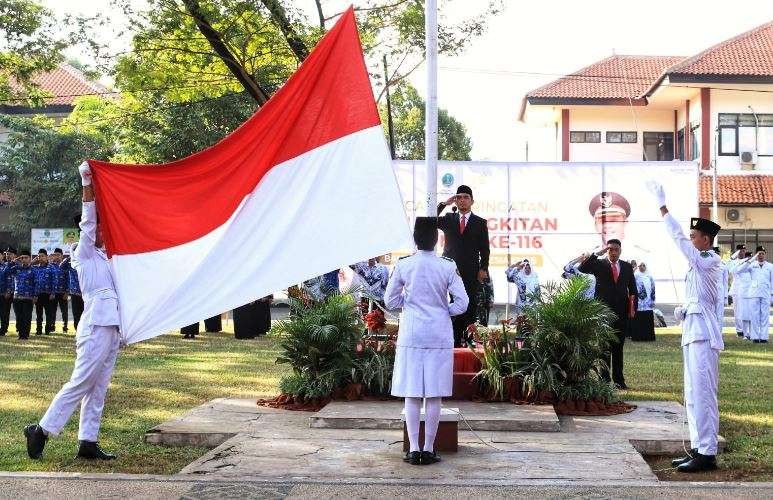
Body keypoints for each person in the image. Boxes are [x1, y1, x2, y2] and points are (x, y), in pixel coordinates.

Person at [24, 161, 122, 461]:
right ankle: (41, 429)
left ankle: (88, 441)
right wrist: (86, 182)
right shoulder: (85, 252)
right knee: (81, 381)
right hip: (95, 325)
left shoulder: (107, 257)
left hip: (112, 325)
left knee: (99, 387)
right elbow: (88, 221)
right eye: (101, 227)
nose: (103, 230)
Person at [648, 181, 722, 473]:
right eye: (691, 236)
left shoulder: (709, 259)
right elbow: (699, 299)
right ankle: (699, 446)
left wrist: (663, 208)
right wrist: (685, 309)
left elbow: (677, 238)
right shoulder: (697, 264)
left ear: (705, 239)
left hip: (704, 336)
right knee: (692, 392)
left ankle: (708, 453)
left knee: (703, 392)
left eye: (694, 236)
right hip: (693, 333)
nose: (690, 240)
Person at [385, 217, 468, 466]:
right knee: (433, 394)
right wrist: (443, 310)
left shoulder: (404, 265)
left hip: (411, 333)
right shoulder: (447, 266)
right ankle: (429, 449)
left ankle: (413, 450)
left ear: (415, 239)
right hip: (438, 333)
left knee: (412, 392)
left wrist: (408, 307)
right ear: (437, 240)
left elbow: (390, 301)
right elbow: (462, 303)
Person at [579, 238, 637, 389]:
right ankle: (603, 380)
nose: (613, 252)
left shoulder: (626, 267)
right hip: (603, 313)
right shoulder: (599, 264)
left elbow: (633, 290)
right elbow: (582, 268)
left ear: (620, 251)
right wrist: (597, 254)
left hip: (621, 314)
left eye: (615, 249)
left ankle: (619, 381)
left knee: (618, 347)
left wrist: (632, 310)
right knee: (604, 348)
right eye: (610, 249)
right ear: (607, 250)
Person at [437, 185, 490, 346]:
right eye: (459, 197)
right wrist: (444, 204)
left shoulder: (480, 223)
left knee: (468, 303)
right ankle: (452, 340)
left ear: (472, 201)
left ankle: (467, 340)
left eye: (465, 197)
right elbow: (430, 219)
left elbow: (485, 249)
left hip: (470, 271)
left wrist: (483, 268)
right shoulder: (448, 218)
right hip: (448, 270)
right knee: (451, 302)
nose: (462, 200)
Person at [733, 246, 772, 343]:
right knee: (754, 315)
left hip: (766, 293)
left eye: (762, 253)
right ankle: (755, 336)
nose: (761, 256)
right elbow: (738, 270)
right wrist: (751, 260)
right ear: (756, 254)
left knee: (764, 315)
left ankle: (763, 337)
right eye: (759, 253)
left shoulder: (770, 266)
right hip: (754, 293)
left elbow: (772, 281)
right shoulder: (752, 265)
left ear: (765, 255)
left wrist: (772, 294)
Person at [8, 250, 37, 340]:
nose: (24, 259)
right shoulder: (16, 268)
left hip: (28, 297)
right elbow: (6, 272)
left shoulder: (33, 270)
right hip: (17, 297)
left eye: (26, 258)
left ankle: (25, 335)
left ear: (30, 259)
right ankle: (20, 334)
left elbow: (37, 283)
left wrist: (35, 296)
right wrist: (13, 261)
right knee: (19, 317)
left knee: (26, 317)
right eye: (22, 258)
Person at [730, 251, 754, 340]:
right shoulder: (738, 266)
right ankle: (741, 331)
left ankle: (750, 332)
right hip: (739, 292)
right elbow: (733, 269)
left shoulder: (753, 267)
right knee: (739, 312)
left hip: (751, 292)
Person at [631, 262, 656, 342]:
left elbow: (653, 289)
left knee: (647, 319)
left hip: (648, 302)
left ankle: (648, 337)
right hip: (639, 302)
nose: (642, 267)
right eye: (640, 266)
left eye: (643, 265)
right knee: (639, 319)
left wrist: (653, 300)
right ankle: (638, 337)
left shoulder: (650, 276)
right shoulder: (635, 276)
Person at [32, 249, 54, 335]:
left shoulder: (51, 267)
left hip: (48, 294)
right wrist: (33, 261)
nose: (40, 258)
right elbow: (27, 266)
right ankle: (39, 330)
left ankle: (47, 330)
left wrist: (53, 293)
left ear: (46, 257)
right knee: (39, 314)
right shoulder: (35, 268)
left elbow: (54, 281)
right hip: (38, 294)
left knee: (48, 313)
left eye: (42, 256)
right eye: (39, 256)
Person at [727, 245, 747, 337]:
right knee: (738, 310)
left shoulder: (748, 261)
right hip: (737, 288)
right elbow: (729, 268)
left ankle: (746, 329)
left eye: (743, 251)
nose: (742, 252)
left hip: (747, 289)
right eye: (740, 251)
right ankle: (739, 330)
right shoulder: (733, 262)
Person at [49, 248, 70, 333]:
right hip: (53, 293)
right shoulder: (50, 266)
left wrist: (67, 292)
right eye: (55, 255)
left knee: (64, 311)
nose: (56, 257)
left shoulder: (65, 266)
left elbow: (68, 279)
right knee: (52, 311)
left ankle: (65, 327)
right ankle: (52, 327)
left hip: (63, 293)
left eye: (58, 255)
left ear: (62, 255)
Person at [63, 251, 84, 330]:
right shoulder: (70, 264)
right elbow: (61, 266)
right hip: (74, 293)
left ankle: (84, 331)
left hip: (85, 293)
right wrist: (70, 256)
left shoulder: (85, 261)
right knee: (76, 313)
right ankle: (77, 330)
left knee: (85, 313)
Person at [0, 247, 17, 336]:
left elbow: (10, 279)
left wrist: (9, 291)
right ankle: (3, 329)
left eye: (9, 254)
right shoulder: (5, 265)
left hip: (10, 293)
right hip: (2, 292)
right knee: (3, 312)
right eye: (7, 254)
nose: (8, 256)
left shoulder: (15, 265)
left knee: (6, 312)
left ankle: (4, 329)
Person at [713, 247, 729, 331]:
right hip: (709, 293)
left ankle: (718, 336)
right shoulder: (707, 265)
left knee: (719, 315)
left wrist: (725, 297)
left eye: (717, 253)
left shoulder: (723, 266)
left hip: (720, 293)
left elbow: (725, 282)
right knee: (710, 315)